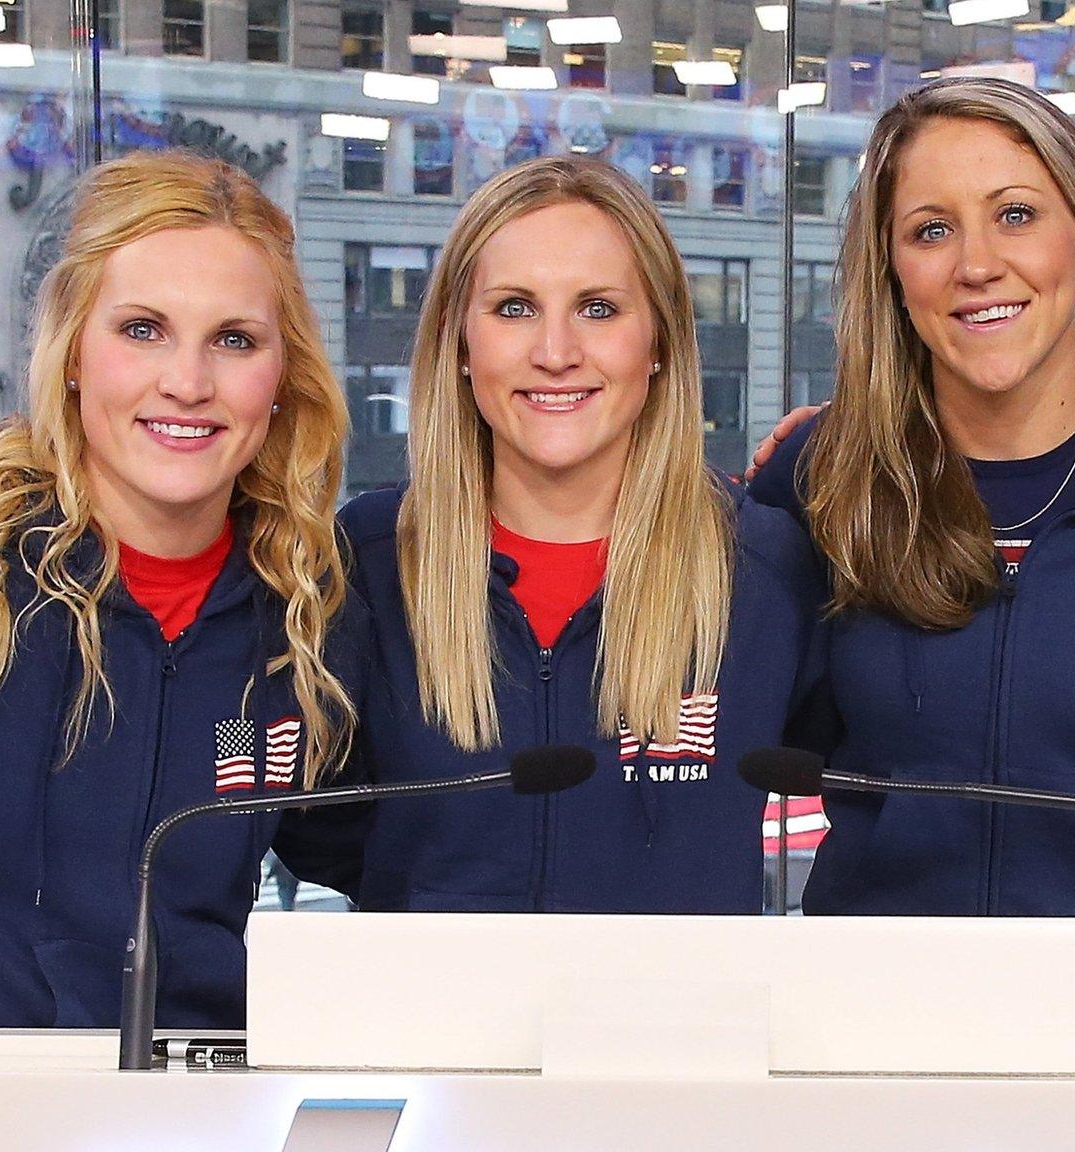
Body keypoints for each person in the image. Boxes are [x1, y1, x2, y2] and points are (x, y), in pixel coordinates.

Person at [0, 151, 355, 1028]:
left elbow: (422, 854)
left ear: (282, 379)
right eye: (142, 329)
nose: (188, 382)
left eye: (234, 340)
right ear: (73, 351)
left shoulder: (303, 618)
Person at [746, 78, 1075, 986]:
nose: (976, 263)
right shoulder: (820, 479)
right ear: (893, 273)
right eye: (932, 230)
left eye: (1016, 215)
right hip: (868, 1025)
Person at [276, 157, 821, 913]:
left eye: (598, 309)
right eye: (513, 308)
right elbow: (313, 823)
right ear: (460, 344)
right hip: (441, 1021)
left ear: (658, 342)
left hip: (679, 1025)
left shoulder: (767, 568)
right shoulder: (367, 564)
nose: (556, 352)